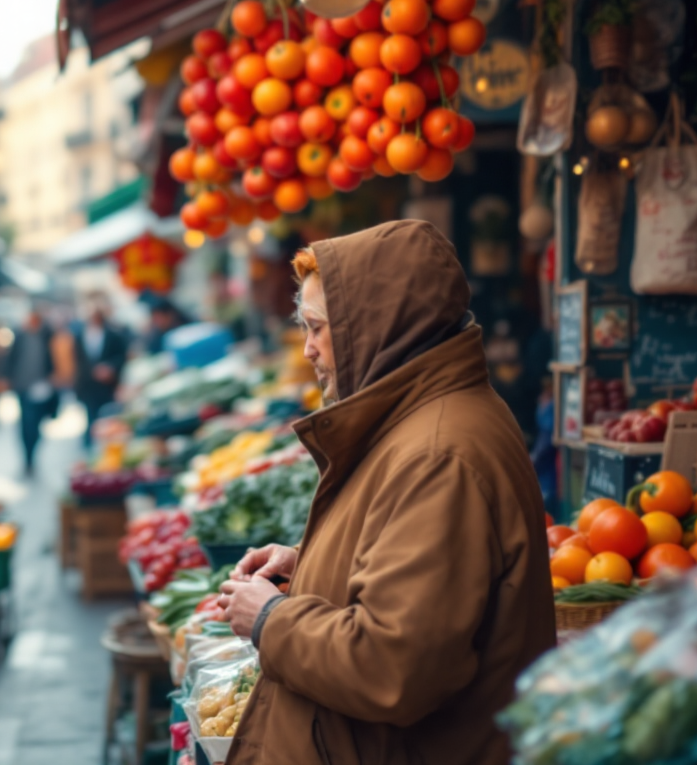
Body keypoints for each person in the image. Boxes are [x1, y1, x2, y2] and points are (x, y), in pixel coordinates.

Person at [217, 221, 555, 765]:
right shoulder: (422, 424)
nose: (306, 349)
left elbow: (394, 665)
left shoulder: (437, 454)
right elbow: (421, 585)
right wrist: (308, 568)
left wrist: (270, 619)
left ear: (375, 327)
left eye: (318, 328)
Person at [0, 308, 56, 478]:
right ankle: (27, 458)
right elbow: (10, 359)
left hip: (42, 387)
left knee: (37, 423)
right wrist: (6, 378)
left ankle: (33, 453)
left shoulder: (48, 336)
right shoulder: (20, 336)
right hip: (23, 387)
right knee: (25, 423)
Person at [72, 303, 128, 450]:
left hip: (106, 385)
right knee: (90, 415)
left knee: (105, 415)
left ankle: (100, 444)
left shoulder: (113, 335)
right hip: (87, 385)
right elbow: (78, 360)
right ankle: (89, 444)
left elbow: (121, 356)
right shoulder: (80, 335)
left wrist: (110, 368)